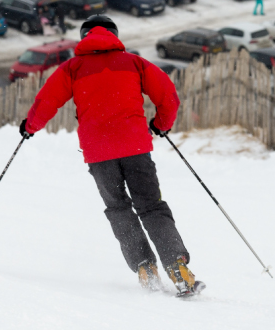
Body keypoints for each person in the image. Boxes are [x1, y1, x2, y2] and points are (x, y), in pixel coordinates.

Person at [18, 15, 204, 296]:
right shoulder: (134, 63)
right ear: (115, 35)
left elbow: (47, 100)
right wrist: (161, 125)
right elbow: (168, 95)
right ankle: (177, 266)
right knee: (151, 206)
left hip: (99, 153)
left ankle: (145, 268)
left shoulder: (73, 68)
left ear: (83, 37)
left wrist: (30, 127)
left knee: (118, 209)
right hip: (136, 148)